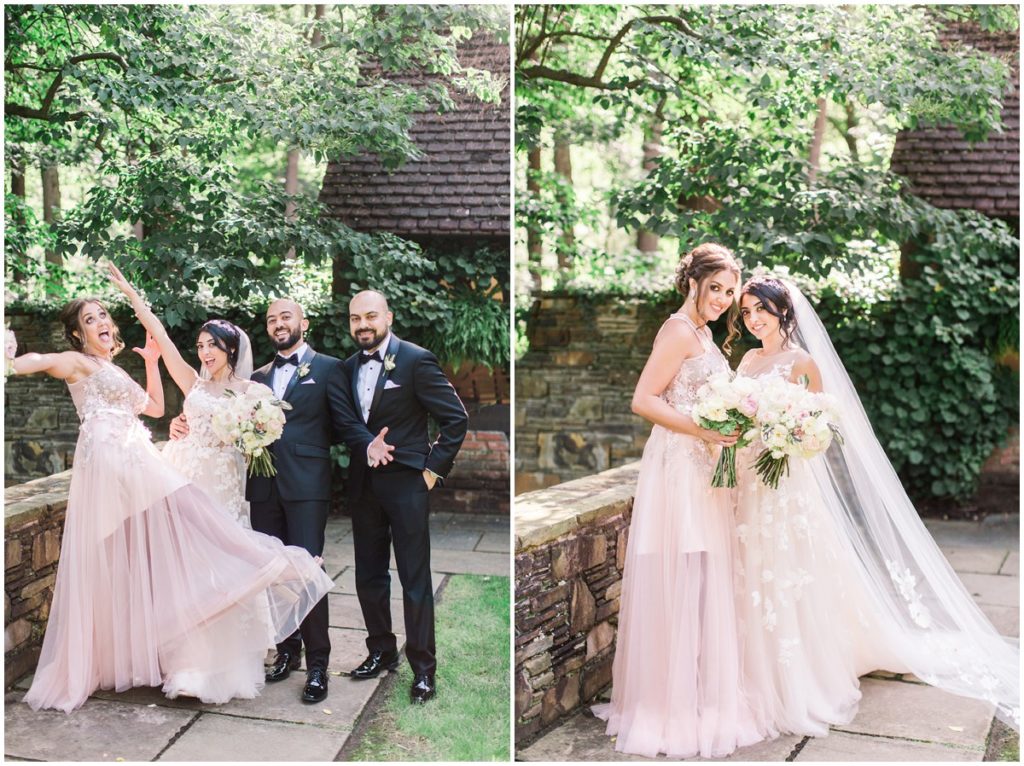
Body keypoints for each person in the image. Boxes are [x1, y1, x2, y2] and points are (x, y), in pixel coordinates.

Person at [14, 269, 333, 713]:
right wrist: (14, 357)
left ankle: (276, 582)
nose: (204, 352)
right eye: (200, 345)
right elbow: (52, 360)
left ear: (231, 350)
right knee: (181, 565)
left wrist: (241, 433)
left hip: (217, 477)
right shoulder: (181, 381)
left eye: (211, 346)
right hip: (170, 468)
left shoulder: (251, 389)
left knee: (217, 549)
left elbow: (252, 430)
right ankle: (184, 662)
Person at [734, 275, 1019, 734]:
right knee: (749, 566)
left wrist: (788, 436)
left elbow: (821, 429)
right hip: (748, 480)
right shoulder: (747, 359)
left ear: (783, 310)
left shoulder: (802, 362)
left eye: (760, 309)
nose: (753, 319)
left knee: (789, 569)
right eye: (746, 312)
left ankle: (797, 668)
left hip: (787, 483)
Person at [592, 244, 763, 757]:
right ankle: (669, 704)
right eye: (717, 289)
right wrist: (703, 432)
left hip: (705, 468)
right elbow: (643, 399)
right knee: (683, 574)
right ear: (693, 283)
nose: (724, 300)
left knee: (704, 577)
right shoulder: (675, 330)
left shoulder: (705, 335)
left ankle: (697, 694)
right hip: (678, 468)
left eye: (731, 293)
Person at [339, 290, 468, 704]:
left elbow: (455, 419)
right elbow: (346, 425)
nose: (363, 325)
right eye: (356, 318)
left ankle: (424, 670)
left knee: (414, 580)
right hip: (363, 486)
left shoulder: (414, 360)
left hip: (408, 486)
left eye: (371, 316)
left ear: (388, 317)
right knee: (368, 576)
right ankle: (380, 650)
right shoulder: (344, 369)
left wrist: (431, 472)